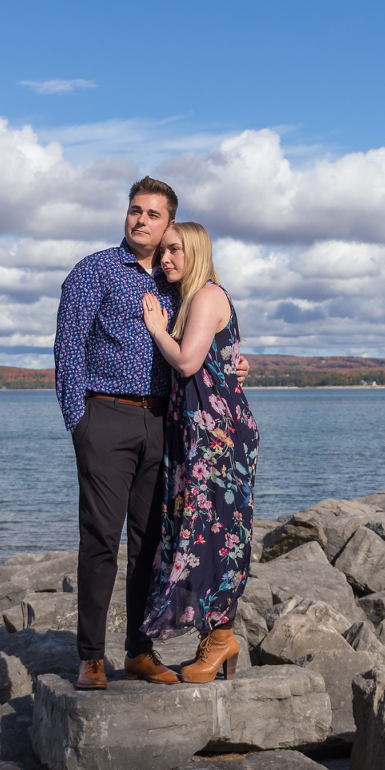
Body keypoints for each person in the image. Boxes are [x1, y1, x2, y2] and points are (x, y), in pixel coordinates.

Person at [54, 177, 186, 689]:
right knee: (101, 539)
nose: (140, 220)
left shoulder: (178, 279)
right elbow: (69, 348)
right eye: (135, 210)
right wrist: (79, 423)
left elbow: (206, 335)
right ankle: (90, 657)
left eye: (153, 214)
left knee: (151, 541)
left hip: (162, 420)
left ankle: (139, 650)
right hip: (105, 417)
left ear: (168, 222)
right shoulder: (96, 270)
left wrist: (235, 364)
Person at [139, 222, 259, 683]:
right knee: (196, 534)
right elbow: (217, 361)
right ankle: (216, 639)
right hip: (198, 434)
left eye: (175, 250)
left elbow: (188, 361)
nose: (165, 258)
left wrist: (155, 328)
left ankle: (220, 639)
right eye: (163, 250)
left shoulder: (207, 296)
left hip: (218, 438)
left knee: (212, 538)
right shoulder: (192, 298)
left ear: (197, 252)